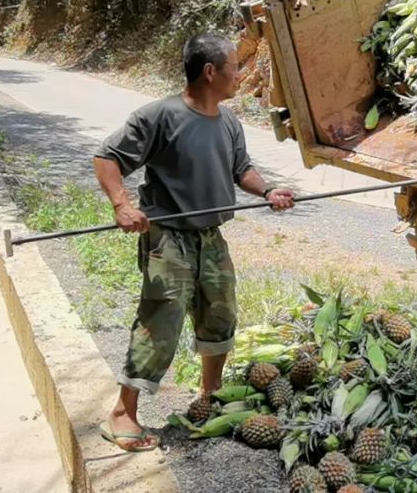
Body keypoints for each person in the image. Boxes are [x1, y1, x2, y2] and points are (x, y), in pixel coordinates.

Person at [93, 33, 295, 451]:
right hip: (167, 236)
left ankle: (210, 394)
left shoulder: (229, 121)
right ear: (210, 72)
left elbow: (242, 169)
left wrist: (267, 191)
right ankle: (122, 414)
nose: (239, 76)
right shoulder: (159, 116)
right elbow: (107, 157)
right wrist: (121, 205)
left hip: (210, 235)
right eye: (234, 68)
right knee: (161, 321)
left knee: (219, 312)